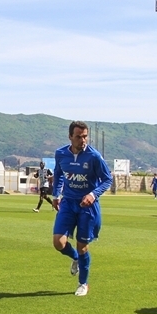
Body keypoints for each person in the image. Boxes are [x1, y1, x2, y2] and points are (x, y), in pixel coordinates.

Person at [52, 121, 113, 296]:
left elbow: (107, 180)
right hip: (68, 203)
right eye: (79, 137)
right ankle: (76, 258)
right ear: (70, 137)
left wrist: (93, 194)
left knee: (82, 246)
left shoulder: (94, 156)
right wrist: (56, 195)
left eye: (85, 136)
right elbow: (58, 173)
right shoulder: (61, 154)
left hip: (87, 206)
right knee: (58, 243)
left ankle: (83, 284)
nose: (83, 140)